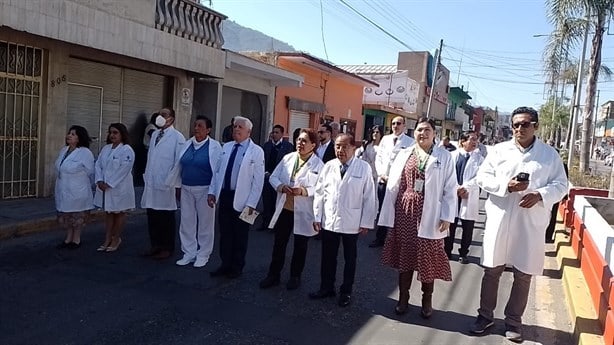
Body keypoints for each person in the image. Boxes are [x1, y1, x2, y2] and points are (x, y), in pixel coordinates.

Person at [469, 107, 568, 342]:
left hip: (530, 222)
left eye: (524, 124)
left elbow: (562, 185)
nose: (519, 129)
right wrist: (506, 185)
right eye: (515, 125)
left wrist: (540, 195)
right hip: (500, 218)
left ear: (536, 126)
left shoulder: (549, 155)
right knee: (492, 270)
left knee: (523, 274)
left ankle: (513, 321)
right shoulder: (498, 151)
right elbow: (483, 177)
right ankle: (485, 316)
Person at [378, 117, 456, 318]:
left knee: (427, 258)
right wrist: (388, 214)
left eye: (427, 130)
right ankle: (403, 298)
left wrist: (447, 215)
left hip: (431, 213)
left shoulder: (444, 157)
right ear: (414, 133)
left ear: (434, 133)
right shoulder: (405, 154)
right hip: (405, 212)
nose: (423, 133)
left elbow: (450, 188)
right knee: (406, 257)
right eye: (420, 130)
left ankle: (426, 300)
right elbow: (394, 184)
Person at [310, 134, 377, 307]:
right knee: (328, 256)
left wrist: (366, 222)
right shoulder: (329, 166)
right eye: (337, 146)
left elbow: (369, 196)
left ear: (353, 148)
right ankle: (326, 287)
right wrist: (317, 216)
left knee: (350, 258)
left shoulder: (363, 168)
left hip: (351, 220)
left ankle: (346, 291)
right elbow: (319, 193)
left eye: (344, 146)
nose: (340, 150)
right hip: (330, 218)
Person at [259, 128, 324, 290]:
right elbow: (273, 177)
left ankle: (295, 276)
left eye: (304, 141)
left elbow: (321, 188)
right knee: (279, 243)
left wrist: (303, 191)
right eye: (298, 140)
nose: (300, 143)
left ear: (313, 145)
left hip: (303, 211)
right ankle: (273, 275)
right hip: (285, 209)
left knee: (300, 246)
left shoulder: (319, 164)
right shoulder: (288, 158)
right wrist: (280, 186)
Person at [208, 116, 265, 279]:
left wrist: (252, 204)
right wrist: (212, 191)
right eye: (235, 127)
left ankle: (237, 266)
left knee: (241, 235)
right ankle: (224, 264)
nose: (236, 129)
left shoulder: (256, 151)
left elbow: (258, 181)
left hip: (245, 200)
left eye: (240, 127)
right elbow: (217, 172)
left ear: (249, 131)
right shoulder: (226, 147)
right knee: (225, 233)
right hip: (225, 196)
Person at [167, 116, 222, 268]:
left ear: (208, 130)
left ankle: (203, 254)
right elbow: (179, 167)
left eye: (200, 126)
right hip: (186, 188)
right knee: (186, 221)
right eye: (195, 125)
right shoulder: (187, 144)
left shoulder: (215, 147)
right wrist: (177, 186)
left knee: (205, 223)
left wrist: (213, 192)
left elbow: (217, 172)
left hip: (205, 189)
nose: (196, 128)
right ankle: (189, 252)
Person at [141, 107, 186, 260]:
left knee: (165, 217)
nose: (160, 116)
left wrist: (175, 184)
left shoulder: (177, 137)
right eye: (159, 114)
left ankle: (167, 247)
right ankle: (155, 245)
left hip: (167, 183)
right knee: (152, 214)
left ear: (172, 118)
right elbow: (151, 157)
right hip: (152, 181)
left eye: (164, 114)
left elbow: (178, 163)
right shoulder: (154, 135)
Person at [370, 116, 415, 248]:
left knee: (397, 212)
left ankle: (395, 240)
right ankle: (380, 238)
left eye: (399, 123)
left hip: (399, 183)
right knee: (383, 210)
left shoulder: (410, 142)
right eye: (393, 123)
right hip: (384, 180)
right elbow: (379, 158)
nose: (396, 126)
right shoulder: (386, 139)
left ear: (404, 125)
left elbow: (409, 163)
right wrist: (381, 173)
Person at [94, 123, 135, 253]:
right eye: (110, 132)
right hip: (104, 186)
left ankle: (116, 238)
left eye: (115, 132)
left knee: (119, 213)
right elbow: (98, 165)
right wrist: (99, 180)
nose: (112, 135)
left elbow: (124, 169)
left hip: (119, 187)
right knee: (108, 212)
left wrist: (110, 183)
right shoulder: (106, 149)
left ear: (122, 134)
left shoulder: (127, 150)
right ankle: (107, 239)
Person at [444, 131, 484, 263]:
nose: (474, 142)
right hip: (452, 193)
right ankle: (447, 251)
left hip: (469, 194)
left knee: (468, 227)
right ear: (462, 141)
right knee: (450, 224)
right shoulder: (451, 156)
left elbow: (481, 177)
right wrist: (455, 187)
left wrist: (466, 187)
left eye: (476, 139)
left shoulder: (480, 159)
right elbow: (447, 174)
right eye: (471, 139)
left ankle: (463, 253)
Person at [54, 125, 95, 249]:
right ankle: (68, 238)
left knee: (77, 215)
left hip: (78, 188)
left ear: (79, 138)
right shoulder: (64, 150)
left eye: (73, 134)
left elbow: (90, 171)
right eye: (69, 133)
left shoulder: (85, 152)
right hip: (63, 187)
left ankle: (76, 239)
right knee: (67, 214)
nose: (69, 136)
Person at [262, 124, 295, 230]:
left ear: (282, 134)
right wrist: (265, 173)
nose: (274, 134)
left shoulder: (288, 146)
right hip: (267, 177)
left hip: (279, 180)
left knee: (276, 202)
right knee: (266, 201)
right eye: (273, 132)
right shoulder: (267, 145)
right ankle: (265, 223)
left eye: (277, 132)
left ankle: (275, 224)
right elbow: (262, 161)